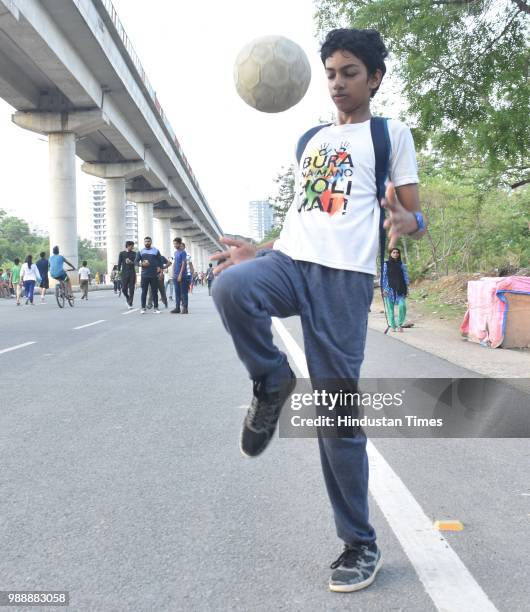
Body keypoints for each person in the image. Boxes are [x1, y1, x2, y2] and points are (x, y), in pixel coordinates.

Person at [210, 28, 426, 593]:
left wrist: (407, 223)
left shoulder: (389, 133)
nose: (337, 82)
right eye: (330, 72)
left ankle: (359, 544)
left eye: (349, 72)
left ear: (374, 78)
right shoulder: (310, 138)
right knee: (232, 287)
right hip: (292, 261)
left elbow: (413, 215)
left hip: (343, 280)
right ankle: (271, 380)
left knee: (335, 416)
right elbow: (304, 214)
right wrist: (259, 251)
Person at [382, 247, 409, 332]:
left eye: (397, 252)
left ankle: (399, 324)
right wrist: (384, 289)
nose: (395, 254)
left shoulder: (402, 264)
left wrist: (407, 288)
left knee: (402, 306)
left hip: (401, 289)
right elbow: (384, 277)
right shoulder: (386, 264)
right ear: (390, 254)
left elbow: (406, 277)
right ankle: (393, 325)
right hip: (389, 289)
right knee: (390, 309)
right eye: (393, 252)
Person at [135, 236, 163, 314]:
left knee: (155, 292)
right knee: (144, 292)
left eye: (148, 241)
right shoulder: (140, 251)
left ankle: (156, 308)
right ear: (144, 242)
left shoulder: (156, 251)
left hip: (154, 275)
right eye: (146, 241)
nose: (147, 242)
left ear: (151, 242)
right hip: (144, 275)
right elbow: (136, 262)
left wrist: (160, 271)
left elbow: (160, 262)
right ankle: (143, 308)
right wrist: (142, 264)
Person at [171, 241, 189, 314]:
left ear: (179, 244)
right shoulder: (175, 253)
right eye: (174, 244)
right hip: (175, 275)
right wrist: (173, 273)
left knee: (183, 292)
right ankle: (177, 308)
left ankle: (185, 308)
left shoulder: (183, 252)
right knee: (177, 292)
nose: (174, 245)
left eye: (176, 244)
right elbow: (175, 263)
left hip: (182, 275)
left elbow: (184, 263)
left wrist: (180, 274)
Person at [117, 241, 137, 309]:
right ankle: (128, 298)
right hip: (124, 273)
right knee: (123, 289)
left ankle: (130, 303)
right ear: (127, 246)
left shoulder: (134, 254)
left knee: (132, 289)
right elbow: (119, 263)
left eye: (133, 246)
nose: (132, 247)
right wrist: (118, 271)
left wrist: (131, 262)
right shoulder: (122, 253)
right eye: (131, 246)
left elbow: (136, 263)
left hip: (132, 273)